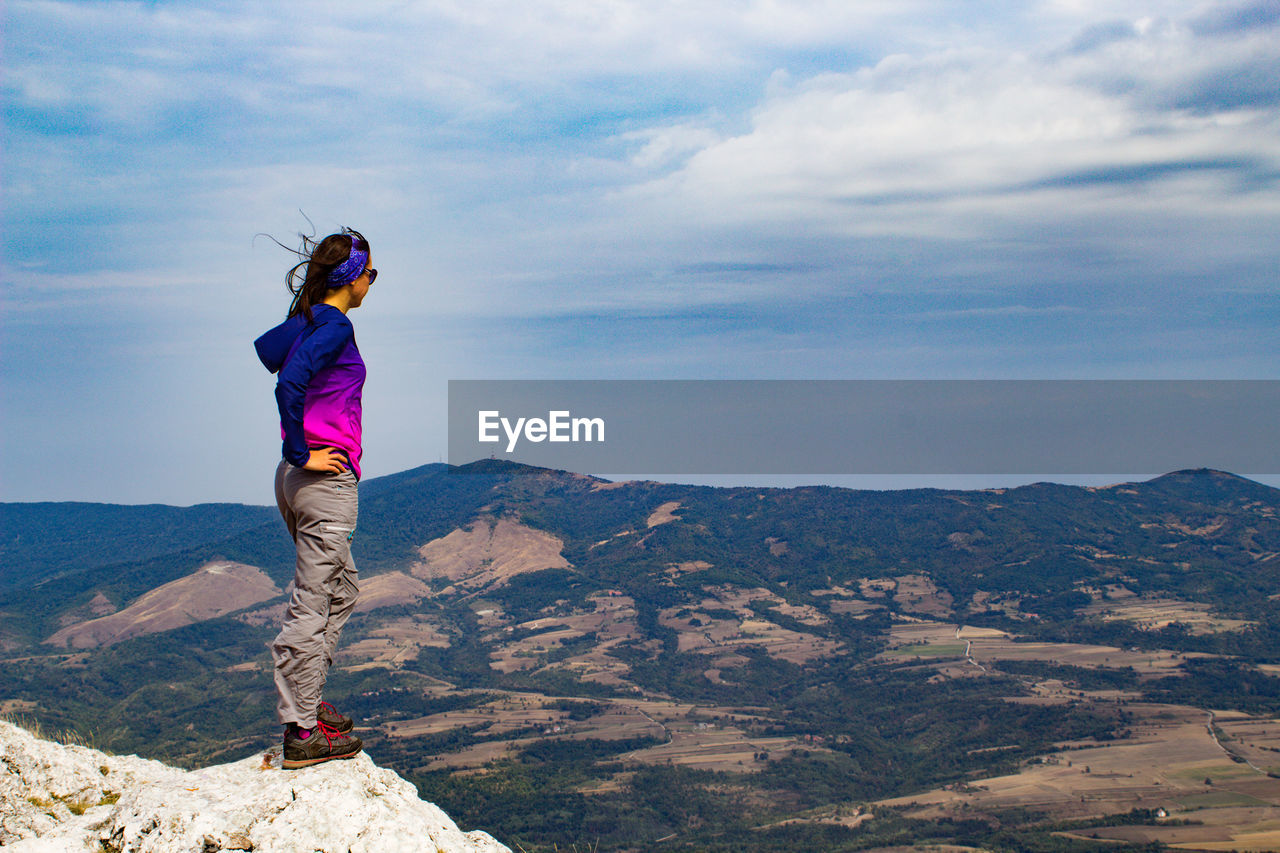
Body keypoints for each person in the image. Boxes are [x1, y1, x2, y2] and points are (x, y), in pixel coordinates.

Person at [253, 228, 376, 769]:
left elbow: (267, 350)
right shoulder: (337, 326)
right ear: (353, 279)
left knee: (342, 591)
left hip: (295, 479)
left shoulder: (314, 322)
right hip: (322, 480)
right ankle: (301, 732)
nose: (374, 281)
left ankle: (307, 702)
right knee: (312, 600)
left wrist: (296, 457)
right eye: (371, 273)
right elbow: (288, 383)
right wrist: (304, 451)